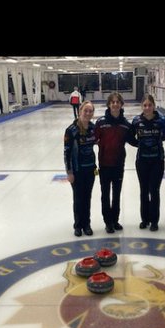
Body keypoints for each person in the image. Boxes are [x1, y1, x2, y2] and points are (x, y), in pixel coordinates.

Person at [94, 92, 135, 234]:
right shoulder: (101, 123)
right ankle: (108, 222)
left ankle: (115, 220)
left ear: (121, 104)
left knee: (116, 194)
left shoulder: (125, 124)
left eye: (118, 102)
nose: (115, 104)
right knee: (105, 194)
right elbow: (91, 138)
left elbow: (133, 140)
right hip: (104, 165)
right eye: (113, 102)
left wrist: (150, 140)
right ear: (109, 104)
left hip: (118, 165)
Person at [132, 94, 165, 231]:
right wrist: (140, 144)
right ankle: (144, 219)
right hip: (142, 161)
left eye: (150, 105)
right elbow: (130, 136)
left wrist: (155, 144)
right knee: (143, 191)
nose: (147, 108)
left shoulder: (161, 121)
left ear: (154, 106)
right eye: (145, 105)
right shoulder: (136, 121)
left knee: (154, 191)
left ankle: (154, 221)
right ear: (142, 106)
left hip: (157, 161)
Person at [64, 101, 97, 237]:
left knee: (87, 198)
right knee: (78, 199)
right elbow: (67, 152)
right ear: (80, 111)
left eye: (90, 111)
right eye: (86, 111)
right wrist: (69, 172)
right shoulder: (71, 130)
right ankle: (78, 225)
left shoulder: (94, 128)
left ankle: (87, 224)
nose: (88, 113)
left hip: (90, 169)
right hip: (77, 171)